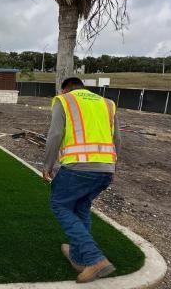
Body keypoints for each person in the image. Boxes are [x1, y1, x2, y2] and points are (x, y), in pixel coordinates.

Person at [43, 77, 121, 283]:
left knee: (59, 204)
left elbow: (55, 134)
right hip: (105, 168)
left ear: (65, 88)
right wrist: (112, 167)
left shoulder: (64, 100)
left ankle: (95, 259)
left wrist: (47, 165)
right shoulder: (107, 103)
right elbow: (117, 139)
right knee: (81, 207)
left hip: (78, 167)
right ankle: (79, 257)